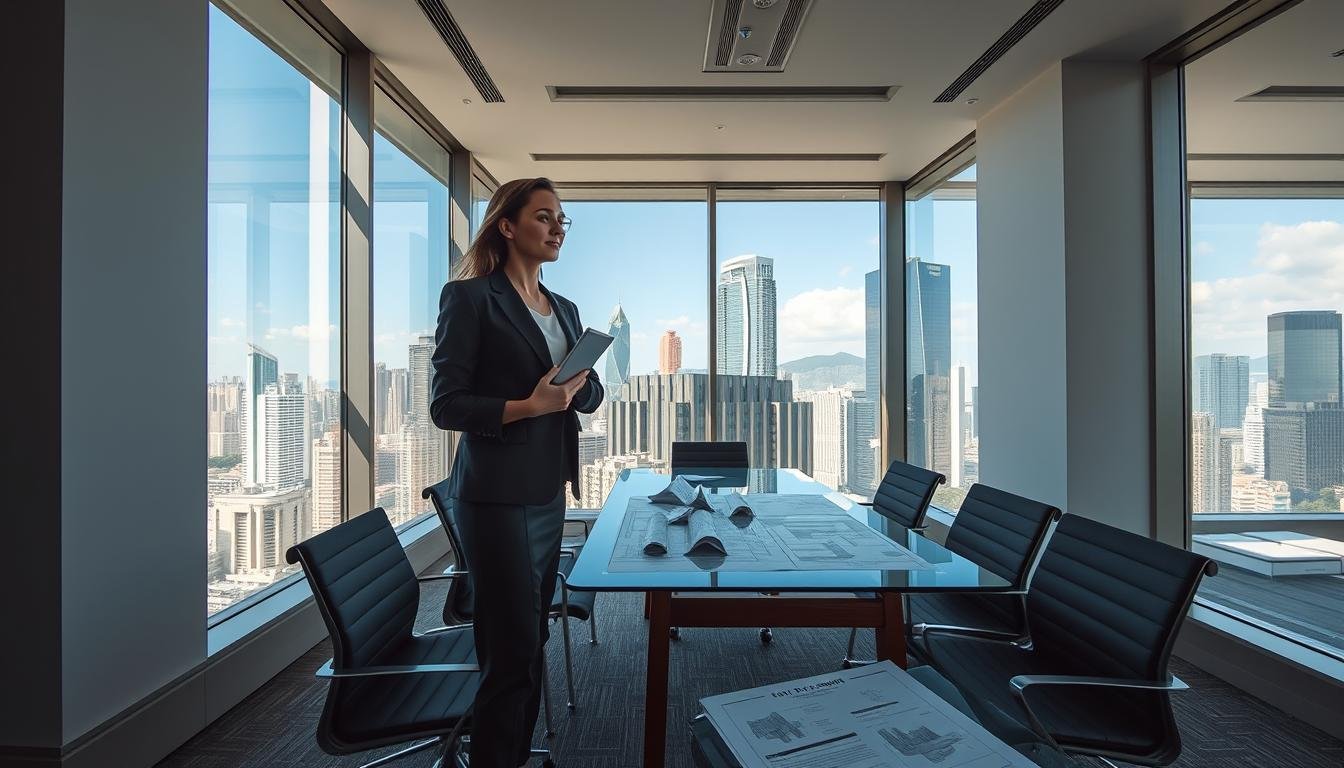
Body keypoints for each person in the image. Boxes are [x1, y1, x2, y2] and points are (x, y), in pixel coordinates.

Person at [429, 177, 603, 767]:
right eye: (544, 217)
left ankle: (509, 753)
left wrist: (577, 386)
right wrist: (530, 406)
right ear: (507, 226)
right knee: (510, 647)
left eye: (562, 220)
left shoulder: (567, 309)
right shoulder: (471, 299)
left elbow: (592, 394)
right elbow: (446, 405)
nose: (557, 228)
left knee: (533, 640)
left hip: (546, 491)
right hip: (497, 497)